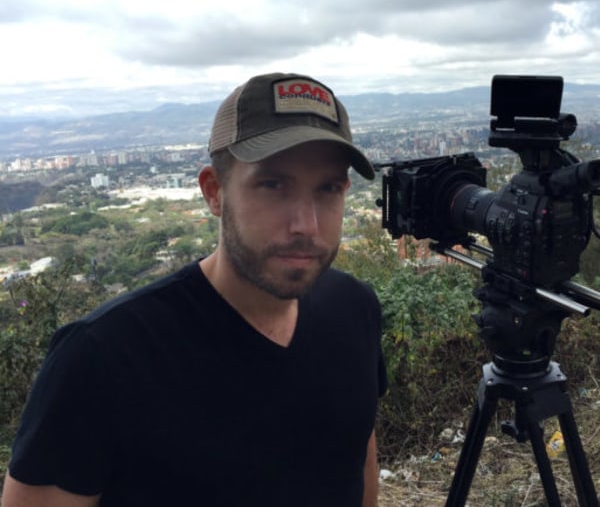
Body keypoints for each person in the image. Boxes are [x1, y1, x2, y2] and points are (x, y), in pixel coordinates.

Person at [1, 72, 387, 507]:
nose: (306, 224)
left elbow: (357, 458)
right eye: (273, 185)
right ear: (214, 192)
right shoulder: (103, 358)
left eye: (328, 188)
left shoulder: (355, 309)